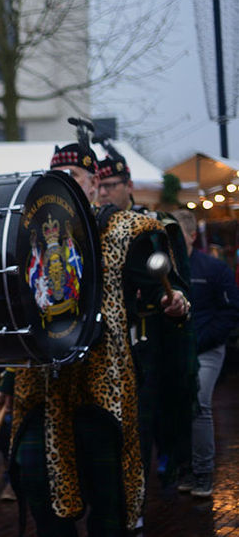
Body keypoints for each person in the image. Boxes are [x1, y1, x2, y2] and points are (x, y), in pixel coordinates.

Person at [0, 141, 189, 536]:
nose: (63, 186)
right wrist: (7, 377)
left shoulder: (127, 230)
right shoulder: (29, 229)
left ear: (95, 184)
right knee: (37, 480)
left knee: (108, 489)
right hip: (41, 380)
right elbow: (17, 309)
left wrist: (176, 301)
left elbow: (159, 290)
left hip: (103, 378)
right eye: (57, 179)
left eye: (73, 179)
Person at [97, 153, 196, 491]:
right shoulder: (93, 227)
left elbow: (178, 278)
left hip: (153, 335)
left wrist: (177, 300)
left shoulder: (156, 225)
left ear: (129, 185)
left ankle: (166, 465)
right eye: (101, 186)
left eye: (112, 185)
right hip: (108, 338)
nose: (105, 192)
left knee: (155, 406)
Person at [172, 208, 239, 498]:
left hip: (206, 349)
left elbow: (230, 312)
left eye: (174, 235)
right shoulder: (165, 271)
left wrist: (203, 340)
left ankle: (203, 472)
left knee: (199, 403)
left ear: (190, 236)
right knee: (175, 407)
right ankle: (186, 468)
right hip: (176, 350)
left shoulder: (213, 269)